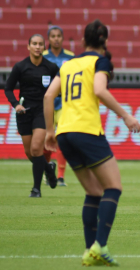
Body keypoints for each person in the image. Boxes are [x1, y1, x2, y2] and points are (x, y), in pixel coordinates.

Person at [44, 19, 140, 266]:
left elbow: (48, 95)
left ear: (82, 41)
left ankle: (90, 250)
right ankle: (101, 245)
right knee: (113, 187)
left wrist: (48, 131)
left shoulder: (68, 63)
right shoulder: (100, 61)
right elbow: (99, 89)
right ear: (104, 41)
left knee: (93, 191)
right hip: (86, 130)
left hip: (64, 131)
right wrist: (126, 115)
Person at [4, 34, 59, 197]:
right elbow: (8, 89)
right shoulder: (20, 67)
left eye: (40, 44)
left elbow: (61, 87)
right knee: (31, 153)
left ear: (44, 47)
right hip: (24, 112)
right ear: (28, 47)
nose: (37, 47)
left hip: (43, 111)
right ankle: (49, 168)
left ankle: (36, 189)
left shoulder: (51, 67)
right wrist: (16, 104)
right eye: (34, 44)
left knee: (36, 148)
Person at [43, 25, 75, 186]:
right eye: (53, 36)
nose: (56, 38)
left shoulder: (71, 57)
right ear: (48, 39)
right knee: (46, 139)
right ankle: (48, 172)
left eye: (59, 36)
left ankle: (61, 176)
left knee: (62, 139)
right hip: (46, 103)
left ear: (63, 38)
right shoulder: (41, 56)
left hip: (64, 104)